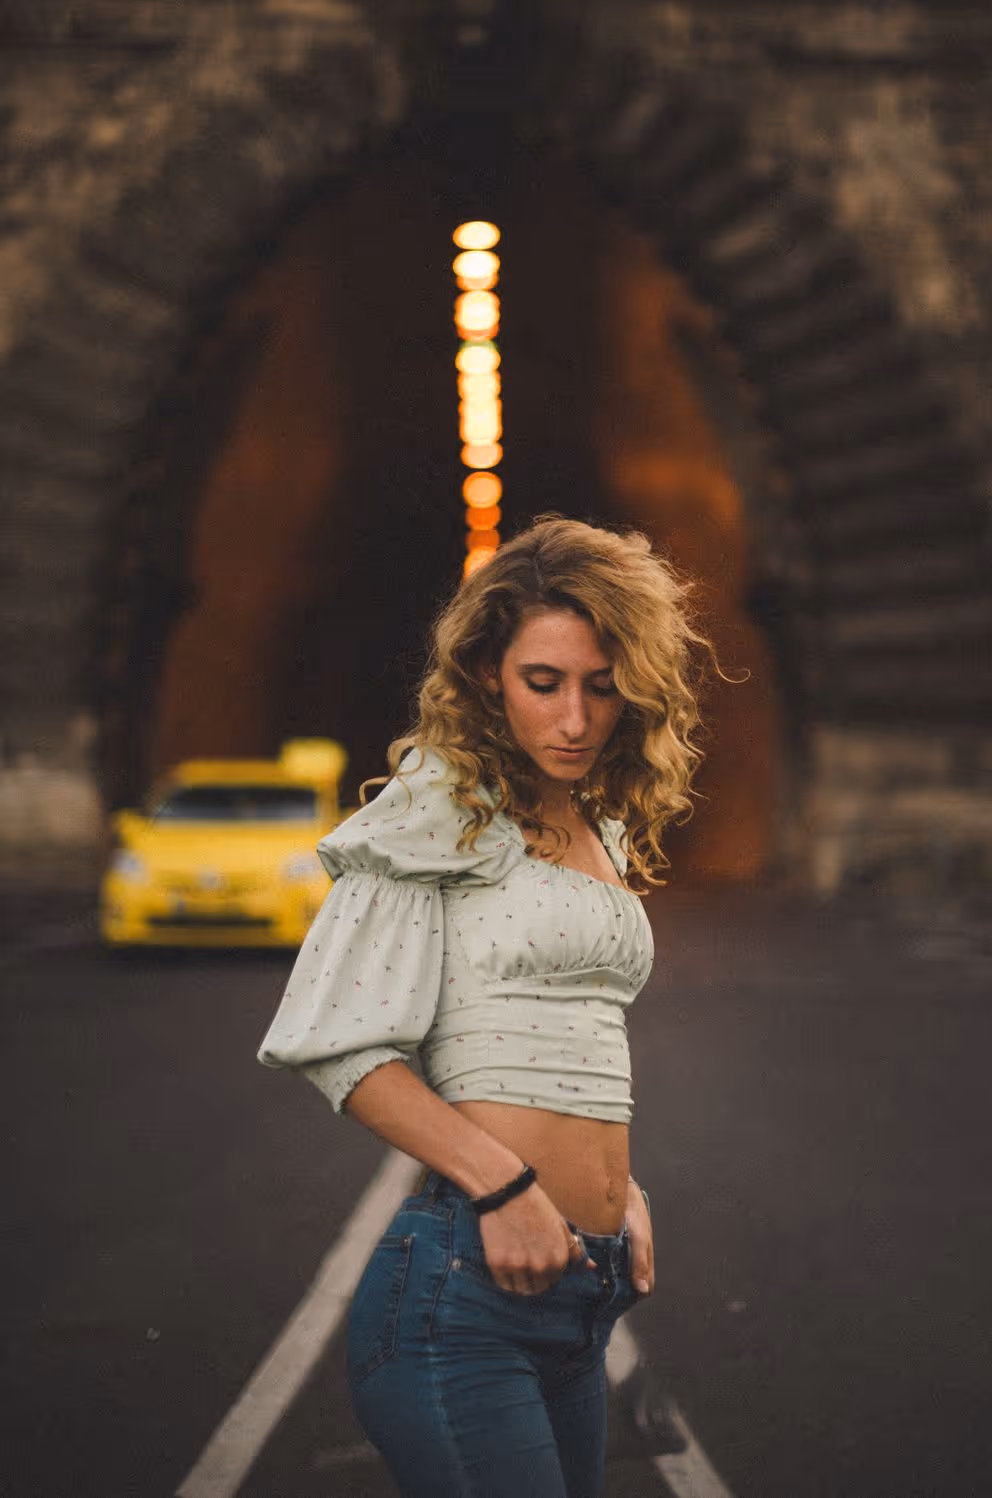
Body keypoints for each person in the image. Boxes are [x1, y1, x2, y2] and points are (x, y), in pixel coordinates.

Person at [257, 515, 709, 1497]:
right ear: (486, 677)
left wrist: (619, 1193)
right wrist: (505, 1190)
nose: (575, 718)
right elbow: (337, 1045)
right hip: (462, 1297)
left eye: (602, 685)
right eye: (543, 682)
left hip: (581, 1292)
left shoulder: (599, 824)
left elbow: (564, 1044)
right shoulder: (442, 809)